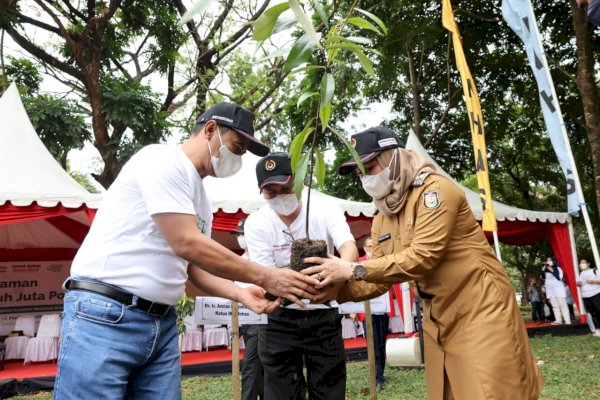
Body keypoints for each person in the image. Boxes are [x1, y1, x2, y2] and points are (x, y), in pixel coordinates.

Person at [53, 103, 320, 400]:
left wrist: (241, 293)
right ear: (210, 130)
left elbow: (193, 272)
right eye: (237, 146)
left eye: (244, 152)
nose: (239, 157)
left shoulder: (201, 199)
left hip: (160, 322)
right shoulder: (162, 160)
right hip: (107, 314)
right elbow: (187, 243)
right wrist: (266, 277)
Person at [303, 126, 544, 399]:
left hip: (479, 306)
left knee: (492, 390)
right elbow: (381, 278)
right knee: (448, 392)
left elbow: (424, 256)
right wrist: (334, 292)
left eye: (369, 167)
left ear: (393, 157)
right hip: (436, 314)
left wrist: (351, 268)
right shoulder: (382, 214)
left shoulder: (436, 191)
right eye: (358, 172)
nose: (364, 177)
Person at [244, 152, 359, 400]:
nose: (279, 196)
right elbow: (266, 277)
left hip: (324, 313)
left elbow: (349, 247)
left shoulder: (324, 208)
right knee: (281, 392)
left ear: (299, 181)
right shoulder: (256, 222)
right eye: (270, 191)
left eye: (285, 188)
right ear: (261, 192)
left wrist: (342, 272)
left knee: (330, 389)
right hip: (279, 320)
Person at [231, 219, 264, 400]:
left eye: (243, 234)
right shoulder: (238, 261)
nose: (240, 238)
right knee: (258, 364)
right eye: (238, 235)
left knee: (250, 364)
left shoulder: (262, 259)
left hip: (262, 318)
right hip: (245, 321)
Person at [361, 237, 389, 391]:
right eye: (369, 247)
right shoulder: (359, 263)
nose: (372, 249)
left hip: (382, 309)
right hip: (367, 311)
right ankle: (377, 378)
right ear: (364, 248)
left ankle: (381, 373)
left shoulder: (382, 262)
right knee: (373, 344)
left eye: (374, 246)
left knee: (381, 343)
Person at [540, 256, 571, 325]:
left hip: (558, 289)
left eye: (549, 260)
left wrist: (552, 271)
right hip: (550, 290)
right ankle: (558, 320)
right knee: (554, 306)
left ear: (554, 261)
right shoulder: (545, 270)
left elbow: (559, 277)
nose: (548, 261)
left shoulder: (558, 268)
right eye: (547, 260)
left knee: (563, 305)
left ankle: (567, 321)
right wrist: (542, 271)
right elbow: (543, 279)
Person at [576, 258, 600, 337]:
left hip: (596, 294)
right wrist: (578, 283)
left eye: (583, 262)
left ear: (588, 264)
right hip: (585, 296)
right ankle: (597, 330)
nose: (581, 264)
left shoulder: (595, 271)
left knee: (598, 311)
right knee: (592, 313)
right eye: (580, 263)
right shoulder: (581, 273)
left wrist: (593, 281)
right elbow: (580, 283)